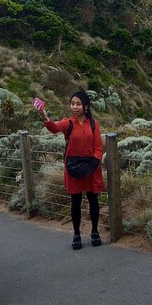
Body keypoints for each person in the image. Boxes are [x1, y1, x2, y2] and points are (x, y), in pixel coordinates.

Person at [36, 90, 105, 250]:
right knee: (76, 201)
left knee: (93, 200)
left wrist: (91, 166)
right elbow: (54, 128)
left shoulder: (94, 124)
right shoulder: (69, 123)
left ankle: (94, 231)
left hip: (91, 167)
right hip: (73, 167)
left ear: (86, 106)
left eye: (78, 104)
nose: (75, 107)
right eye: (72, 103)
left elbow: (98, 148)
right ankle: (76, 234)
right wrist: (44, 116)